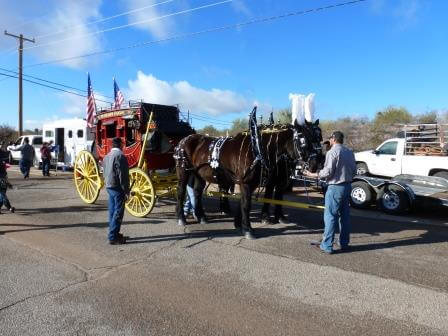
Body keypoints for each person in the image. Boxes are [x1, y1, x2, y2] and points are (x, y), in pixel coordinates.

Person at [304, 131, 356, 254]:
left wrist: (312, 174)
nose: (330, 141)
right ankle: (344, 243)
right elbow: (354, 170)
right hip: (347, 186)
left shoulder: (332, 152)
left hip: (335, 188)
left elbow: (327, 172)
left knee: (330, 217)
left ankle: (327, 245)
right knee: (345, 217)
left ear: (333, 139)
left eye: (330, 139)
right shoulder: (349, 152)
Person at [103, 137, 130, 245]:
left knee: (112, 211)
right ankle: (113, 236)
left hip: (109, 186)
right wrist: (126, 190)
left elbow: (104, 171)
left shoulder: (106, 157)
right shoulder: (120, 156)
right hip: (117, 187)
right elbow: (123, 176)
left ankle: (114, 233)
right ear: (121, 145)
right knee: (118, 212)